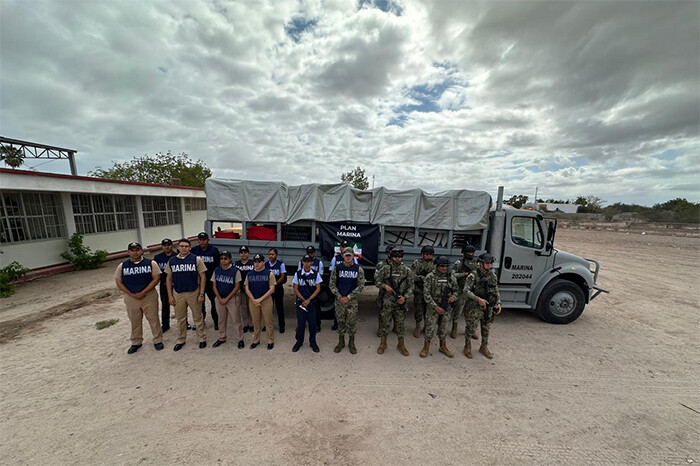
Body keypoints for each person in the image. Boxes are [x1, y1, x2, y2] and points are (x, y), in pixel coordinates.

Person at [114, 242, 163, 354]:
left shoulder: (151, 263)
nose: (135, 252)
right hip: (131, 297)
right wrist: (131, 294)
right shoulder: (122, 266)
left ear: (141, 251)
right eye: (132, 250)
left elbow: (156, 278)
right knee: (134, 320)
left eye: (137, 250)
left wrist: (144, 291)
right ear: (128, 252)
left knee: (153, 318)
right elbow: (118, 282)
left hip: (148, 296)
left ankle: (157, 339)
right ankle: (136, 341)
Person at [166, 238, 208, 351]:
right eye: (182, 246)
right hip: (178, 293)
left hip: (193, 292)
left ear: (190, 247)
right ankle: (181, 339)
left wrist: (202, 293)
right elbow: (168, 279)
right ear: (178, 247)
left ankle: (202, 338)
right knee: (180, 318)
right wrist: (170, 295)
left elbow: (203, 276)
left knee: (198, 316)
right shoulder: (172, 261)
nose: (184, 248)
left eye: (186, 246)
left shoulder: (196, 260)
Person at [374, 246, 413, 356]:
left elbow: (411, 286)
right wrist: (385, 286)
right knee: (385, 324)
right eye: (395, 256)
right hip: (388, 301)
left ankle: (401, 345)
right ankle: (383, 344)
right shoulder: (385, 269)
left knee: (400, 325)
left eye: (399, 256)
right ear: (391, 256)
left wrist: (404, 297)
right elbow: (377, 282)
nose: (397, 258)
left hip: (400, 302)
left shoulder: (407, 270)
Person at [462, 253, 502, 359]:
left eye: (490, 263)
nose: (489, 266)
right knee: (471, 328)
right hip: (474, 307)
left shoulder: (492, 276)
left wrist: (498, 303)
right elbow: (466, 291)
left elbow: (496, 290)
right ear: (480, 263)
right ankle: (467, 346)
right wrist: (478, 299)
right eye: (487, 263)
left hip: (488, 307)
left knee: (486, 328)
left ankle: (484, 347)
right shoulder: (473, 275)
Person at [329, 247, 365, 354]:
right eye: (346, 255)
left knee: (351, 322)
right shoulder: (337, 268)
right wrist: (340, 296)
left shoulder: (358, 269)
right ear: (343, 256)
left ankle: (351, 343)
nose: (348, 257)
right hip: (339, 300)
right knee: (340, 321)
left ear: (353, 256)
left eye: (350, 255)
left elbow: (361, 286)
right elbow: (332, 284)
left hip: (351, 301)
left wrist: (348, 297)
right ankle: (341, 342)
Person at [421, 256, 458, 358]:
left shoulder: (451, 277)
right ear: (437, 266)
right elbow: (426, 294)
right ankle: (426, 348)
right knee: (430, 328)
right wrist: (435, 306)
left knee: (444, 328)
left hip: (446, 308)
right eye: (442, 266)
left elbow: (456, 291)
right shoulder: (430, 277)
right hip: (433, 307)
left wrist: (453, 297)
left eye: (446, 266)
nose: (444, 268)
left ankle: (443, 347)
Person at [211, 251, 245, 349]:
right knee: (221, 320)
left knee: (236, 320)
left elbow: (237, 286)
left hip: (231, 299)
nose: (223, 260)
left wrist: (227, 298)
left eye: (225, 258)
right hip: (219, 299)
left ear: (230, 259)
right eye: (221, 258)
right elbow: (214, 285)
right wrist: (219, 298)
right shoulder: (217, 270)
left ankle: (240, 339)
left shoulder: (235, 271)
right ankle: (222, 337)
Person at [244, 253, 276, 350]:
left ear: (263, 262)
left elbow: (272, 289)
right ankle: (256, 340)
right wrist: (254, 300)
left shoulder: (269, 273)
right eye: (255, 262)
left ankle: (270, 340)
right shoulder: (249, 274)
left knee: (268, 321)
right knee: (256, 322)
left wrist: (260, 299)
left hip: (266, 301)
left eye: (259, 262)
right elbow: (246, 288)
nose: (257, 264)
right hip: (253, 301)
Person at [292, 254, 322, 353]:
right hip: (301, 302)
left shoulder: (315, 274)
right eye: (305, 261)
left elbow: (318, 288)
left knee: (312, 324)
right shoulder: (298, 273)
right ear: (302, 262)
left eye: (309, 261)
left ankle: (313, 343)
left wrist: (309, 299)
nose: (307, 263)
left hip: (311, 302)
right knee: (301, 324)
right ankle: (299, 342)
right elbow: (295, 288)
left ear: (312, 263)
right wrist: (303, 300)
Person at [191, 232, 220, 330]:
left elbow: (217, 266)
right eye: (200, 239)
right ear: (198, 240)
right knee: (200, 304)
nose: (202, 241)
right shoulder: (194, 251)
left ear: (208, 240)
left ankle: (216, 322)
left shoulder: (214, 250)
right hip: (198, 282)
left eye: (204, 239)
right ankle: (201, 322)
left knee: (214, 303)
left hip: (211, 281)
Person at [450, 244, 478, 339]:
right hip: (461, 291)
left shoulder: (476, 263)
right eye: (468, 252)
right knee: (458, 310)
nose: (470, 254)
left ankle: (471, 330)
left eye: (472, 252)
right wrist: (464, 274)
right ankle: (454, 328)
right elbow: (453, 275)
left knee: (471, 312)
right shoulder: (459, 263)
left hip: (472, 291)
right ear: (464, 253)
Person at [297, 245, 324, 331]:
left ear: (314, 253)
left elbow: (320, 275)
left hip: (313, 288)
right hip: (303, 288)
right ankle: (301, 325)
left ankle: (317, 325)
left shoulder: (319, 263)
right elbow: (299, 274)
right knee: (301, 309)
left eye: (311, 253)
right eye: (308, 253)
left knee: (316, 310)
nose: (310, 254)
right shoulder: (301, 262)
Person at [411, 245, 435, 338]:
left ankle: (426, 326)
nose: (429, 256)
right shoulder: (417, 263)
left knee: (428, 310)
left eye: (430, 254)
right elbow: (411, 275)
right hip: (419, 291)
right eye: (427, 254)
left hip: (430, 292)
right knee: (418, 309)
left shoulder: (435, 264)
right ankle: (418, 326)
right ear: (422, 254)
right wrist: (420, 278)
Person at [153, 238, 176, 333]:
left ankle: (184, 322)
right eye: (165, 245)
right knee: (165, 305)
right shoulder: (158, 258)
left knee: (180, 305)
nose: (167, 247)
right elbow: (155, 271)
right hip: (164, 285)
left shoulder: (176, 256)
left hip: (176, 284)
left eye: (169, 245)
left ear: (172, 245)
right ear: (162, 246)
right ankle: (165, 325)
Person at [374, 244, 395, 337]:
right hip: (384, 293)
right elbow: (376, 280)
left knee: (397, 310)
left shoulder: (401, 266)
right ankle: (381, 327)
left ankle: (396, 326)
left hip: (395, 293)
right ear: (387, 253)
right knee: (382, 310)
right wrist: (384, 286)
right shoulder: (381, 265)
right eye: (391, 252)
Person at [265, 248, 286, 333]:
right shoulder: (266, 265)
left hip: (278, 288)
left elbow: (282, 276)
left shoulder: (281, 264)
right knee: (268, 309)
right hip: (268, 289)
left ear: (276, 255)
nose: (270, 256)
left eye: (272, 254)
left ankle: (282, 326)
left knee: (279, 308)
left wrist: (275, 283)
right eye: (269, 254)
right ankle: (267, 325)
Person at [235, 246, 255, 333]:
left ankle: (252, 324)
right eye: (242, 252)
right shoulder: (237, 264)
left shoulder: (252, 263)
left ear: (248, 253)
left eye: (245, 252)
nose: (243, 254)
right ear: (239, 254)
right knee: (243, 307)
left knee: (251, 307)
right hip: (241, 289)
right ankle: (246, 324)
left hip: (251, 289)